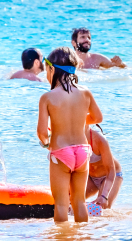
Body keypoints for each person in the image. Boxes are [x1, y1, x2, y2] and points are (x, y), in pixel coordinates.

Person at [37, 47, 103, 223]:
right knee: (79, 201)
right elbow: (98, 118)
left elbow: (42, 132)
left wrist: (45, 143)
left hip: (61, 153)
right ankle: (81, 240)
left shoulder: (47, 97)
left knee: (60, 203)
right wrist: (79, 121)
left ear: (52, 69)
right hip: (82, 152)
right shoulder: (85, 92)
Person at [85, 125, 122, 209]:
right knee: (71, 201)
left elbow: (110, 169)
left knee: (103, 208)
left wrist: (104, 196)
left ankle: (118, 220)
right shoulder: (71, 137)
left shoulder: (98, 139)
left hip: (111, 175)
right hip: (90, 177)